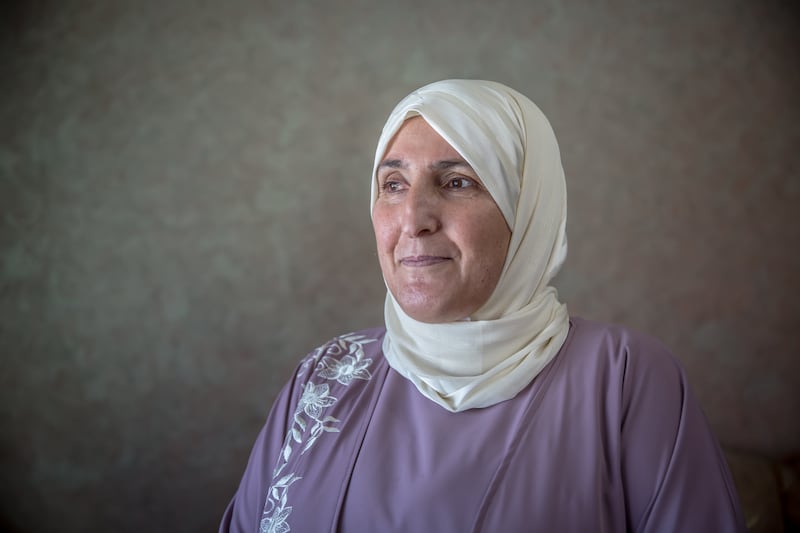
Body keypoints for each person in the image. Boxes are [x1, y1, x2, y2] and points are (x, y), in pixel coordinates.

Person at [220, 79, 745, 532]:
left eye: (457, 182)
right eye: (393, 184)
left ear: (528, 209)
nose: (413, 219)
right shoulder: (325, 378)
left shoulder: (625, 378)